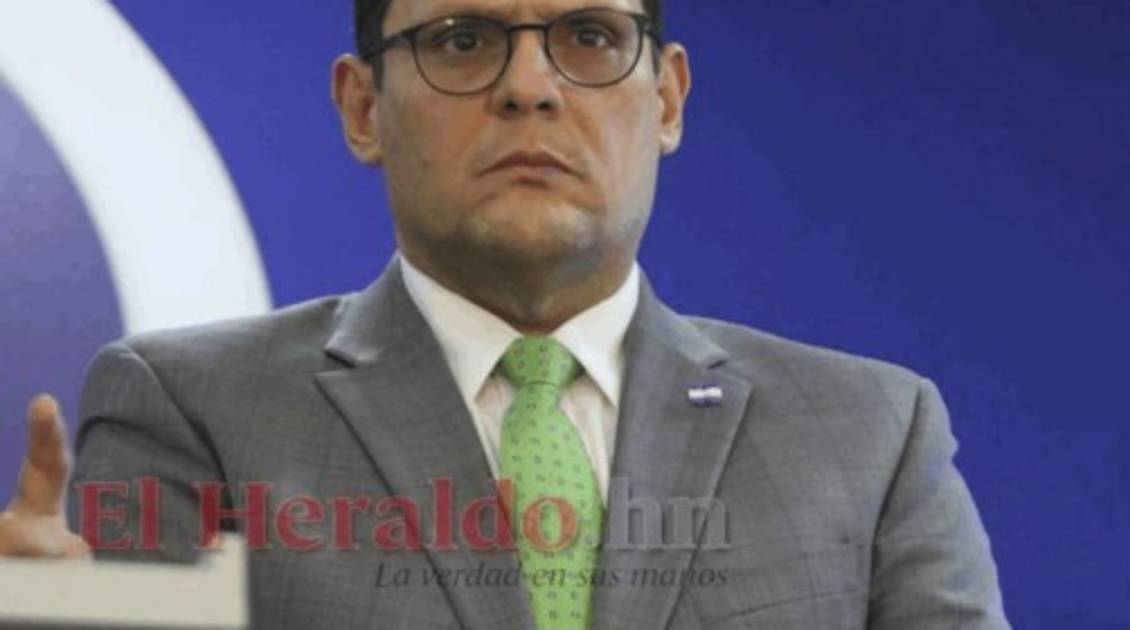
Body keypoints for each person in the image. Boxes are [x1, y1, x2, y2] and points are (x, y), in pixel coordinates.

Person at [0, 0, 1011, 628]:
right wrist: (50, 617)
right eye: (463, 40)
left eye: (589, 37)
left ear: (667, 100)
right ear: (362, 108)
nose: (531, 87)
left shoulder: (873, 432)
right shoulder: (193, 409)